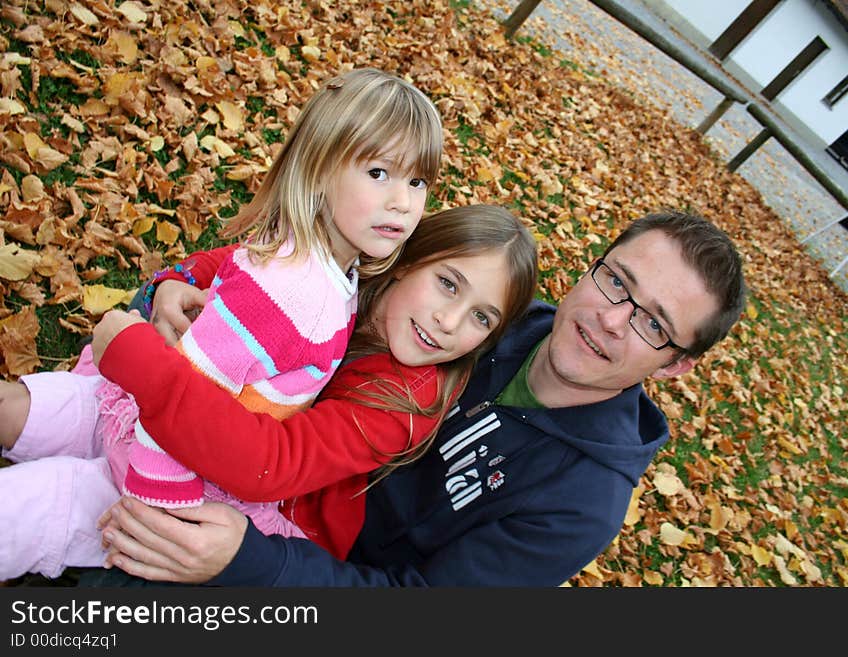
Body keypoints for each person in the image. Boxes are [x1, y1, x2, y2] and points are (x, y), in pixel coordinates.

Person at [94, 209, 747, 587]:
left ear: (675, 366)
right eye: (616, 282)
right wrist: (170, 288)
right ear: (591, 266)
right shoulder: (485, 307)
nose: (611, 319)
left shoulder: (580, 503)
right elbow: (311, 276)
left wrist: (252, 561)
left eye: (652, 323)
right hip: (242, 437)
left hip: (302, 558)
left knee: (100, 573)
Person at [0, 66, 445, 581]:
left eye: (417, 182)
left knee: (28, 488)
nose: (403, 201)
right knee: (22, 503)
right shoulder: (294, 290)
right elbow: (192, 390)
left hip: (153, 432)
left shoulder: (331, 267)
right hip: (159, 469)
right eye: (378, 174)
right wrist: (155, 508)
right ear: (319, 168)